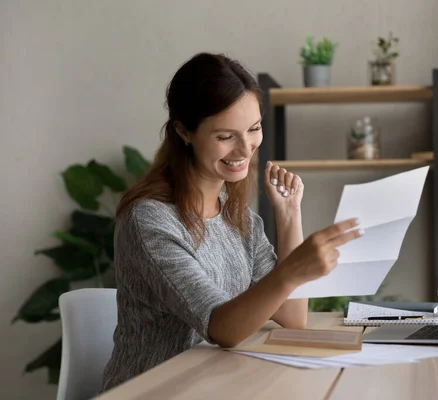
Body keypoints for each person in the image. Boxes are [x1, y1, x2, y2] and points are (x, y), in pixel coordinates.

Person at [100, 52, 363, 392]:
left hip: (215, 385)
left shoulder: (237, 217)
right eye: (225, 136)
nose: (245, 148)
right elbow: (220, 327)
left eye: (254, 129)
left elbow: (293, 316)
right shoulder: (150, 220)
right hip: (154, 390)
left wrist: (288, 215)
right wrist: (292, 269)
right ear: (184, 132)